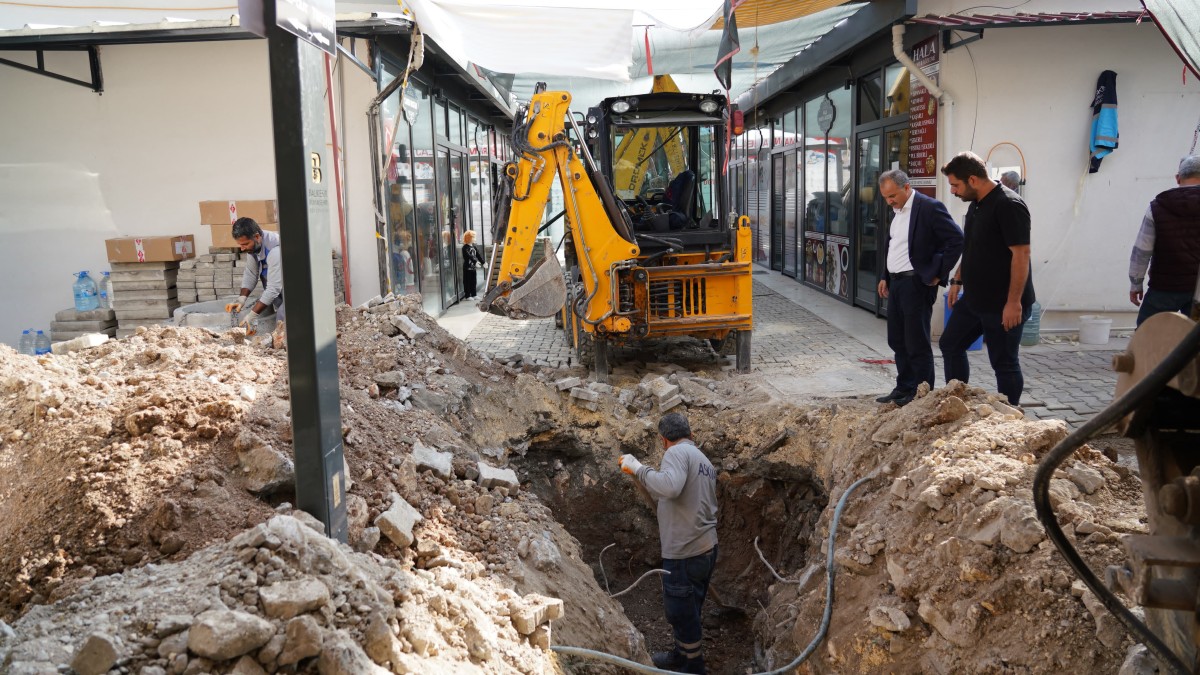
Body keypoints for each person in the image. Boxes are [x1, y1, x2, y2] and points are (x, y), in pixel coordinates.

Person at [618, 413, 717, 675]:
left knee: (681, 613)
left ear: (664, 441)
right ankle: (681, 654)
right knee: (690, 608)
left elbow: (671, 487)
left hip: (685, 552)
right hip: (705, 548)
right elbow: (680, 494)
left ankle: (692, 667)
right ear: (691, 435)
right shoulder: (704, 461)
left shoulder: (676, 454)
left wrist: (639, 468)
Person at [939, 151, 1036, 406]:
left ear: (972, 179)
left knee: (1003, 363)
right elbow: (971, 246)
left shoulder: (1008, 205)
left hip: (1004, 304)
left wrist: (1014, 302)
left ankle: (1010, 417)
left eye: (955, 185)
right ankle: (957, 403)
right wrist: (958, 279)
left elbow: (1021, 254)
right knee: (950, 344)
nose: (953, 191)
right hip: (975, 299)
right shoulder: (977, 204)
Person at [875, 170, 964, 406]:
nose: (889, 201)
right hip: (896, 283)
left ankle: (921, 393)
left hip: (916, 283)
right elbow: (894, 245)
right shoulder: (897, 211)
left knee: (916, 342)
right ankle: (904, 387)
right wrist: (885, 275)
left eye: (892, 195)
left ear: (906, 188)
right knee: (897, 339)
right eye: (885, 197)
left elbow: (956, 240)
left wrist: (937, 273)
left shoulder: (929, 207)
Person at [1128, 155, 1200, 326]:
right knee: (1194, 345)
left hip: (1165, 286)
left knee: (1147, 337)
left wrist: (1136, 283)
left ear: (1178, 178)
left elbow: (1142, 250)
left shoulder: (1158, 206)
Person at [226, 217, 283, 329]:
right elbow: (251, 273)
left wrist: (252, 315)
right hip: (279, 290)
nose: (242, 248)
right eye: (240, 245)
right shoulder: (254, 247)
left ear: (257, 236)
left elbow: (273, 288)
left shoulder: (275, 250)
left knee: (284, 320)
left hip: (296, 290)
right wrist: (242, 298)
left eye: (245, 244)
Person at [461, 230, 484, 299]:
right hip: (467, 267)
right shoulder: (465, 247)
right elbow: (469, 256)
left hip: (473, 268)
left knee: (474, 281)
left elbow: (478, 255)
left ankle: (474, 294)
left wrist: (483, 262)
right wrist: (475, 262)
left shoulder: (474, 247)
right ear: (468, 238)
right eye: (473, 237)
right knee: (467, 282)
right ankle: (467, 295)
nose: (474, 239)